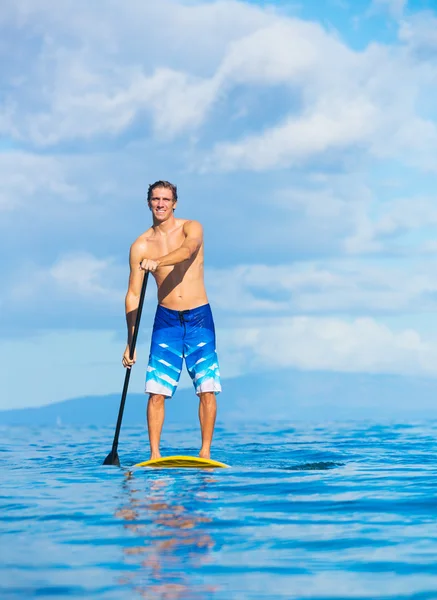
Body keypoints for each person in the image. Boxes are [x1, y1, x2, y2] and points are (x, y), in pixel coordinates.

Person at [122, 180, 221, 460]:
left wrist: (159, 261)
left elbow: (187, 251)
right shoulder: (140, 245)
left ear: (175, 203)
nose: (161, 204)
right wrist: (130, 342)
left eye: (166, 199)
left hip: (199, 316)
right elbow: (132, 295)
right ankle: (154, 455)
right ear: (148, 203)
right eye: (156, 199)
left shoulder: (192, 227)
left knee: (207, 388)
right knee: (156, 391)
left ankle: (204, 453)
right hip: (166, 320)